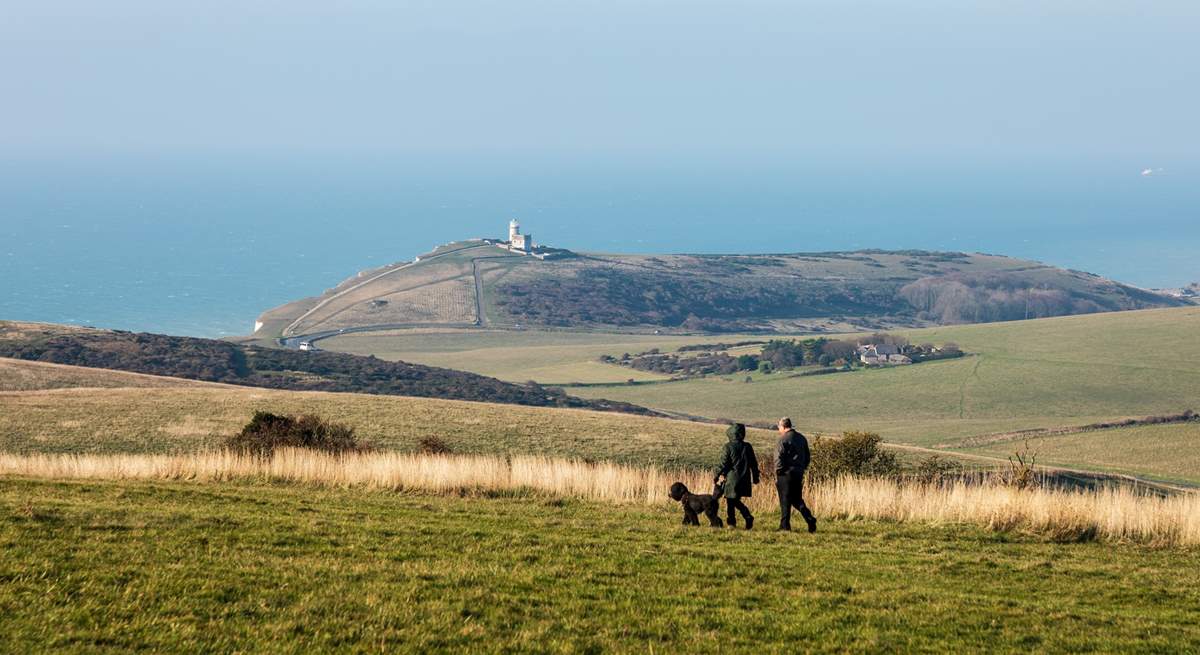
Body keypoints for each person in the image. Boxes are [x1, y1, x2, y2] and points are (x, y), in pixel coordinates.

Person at [714, 423, 760, 530]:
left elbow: (723, 464)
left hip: (732, 478)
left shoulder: (728, 447)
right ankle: (744, 518)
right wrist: (756, 477)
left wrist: (716, 475)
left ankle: (735, 522)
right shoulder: (747, 446)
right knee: (734, 500)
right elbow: (753, 463)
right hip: (745, 478)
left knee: (731, 500)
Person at [774, 417, 817, 533]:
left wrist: (779, 471)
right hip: (798, 473)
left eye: (779, 427)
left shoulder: (782, 439)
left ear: (783, 427)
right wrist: (802, 468)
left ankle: (785, 526)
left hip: (785, 473)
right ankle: (809, 518)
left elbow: (778, 458)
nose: (779, 429)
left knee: (785, 499)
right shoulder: (801, 438)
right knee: (797, 499)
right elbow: (807, 456)